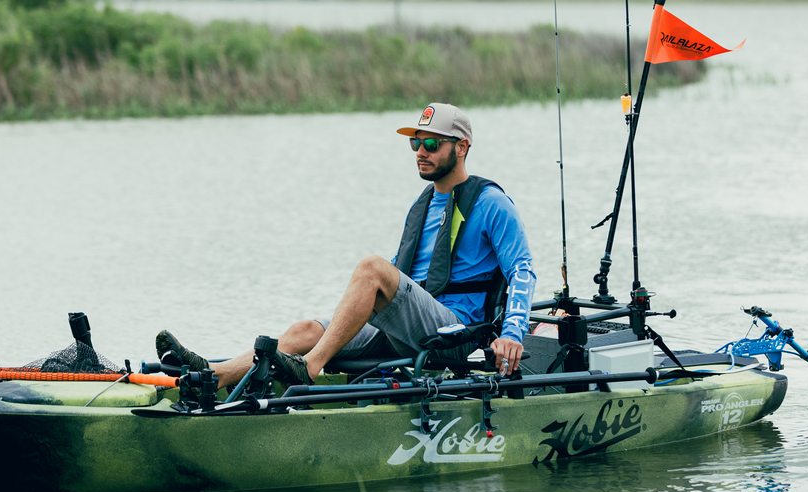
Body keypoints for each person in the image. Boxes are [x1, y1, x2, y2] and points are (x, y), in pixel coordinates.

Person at [157, 102, 537, 388]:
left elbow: (522, 270)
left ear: (462, 147)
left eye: (432, 144)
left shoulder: (491, 203)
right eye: (416, 143)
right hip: (407, 327)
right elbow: (402, 278)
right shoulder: (422, 205)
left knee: (372, 268)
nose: (421, 151)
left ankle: (309, 368)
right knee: (305, 330)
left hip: (454, 332)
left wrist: (512, 333)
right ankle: (213, 375)